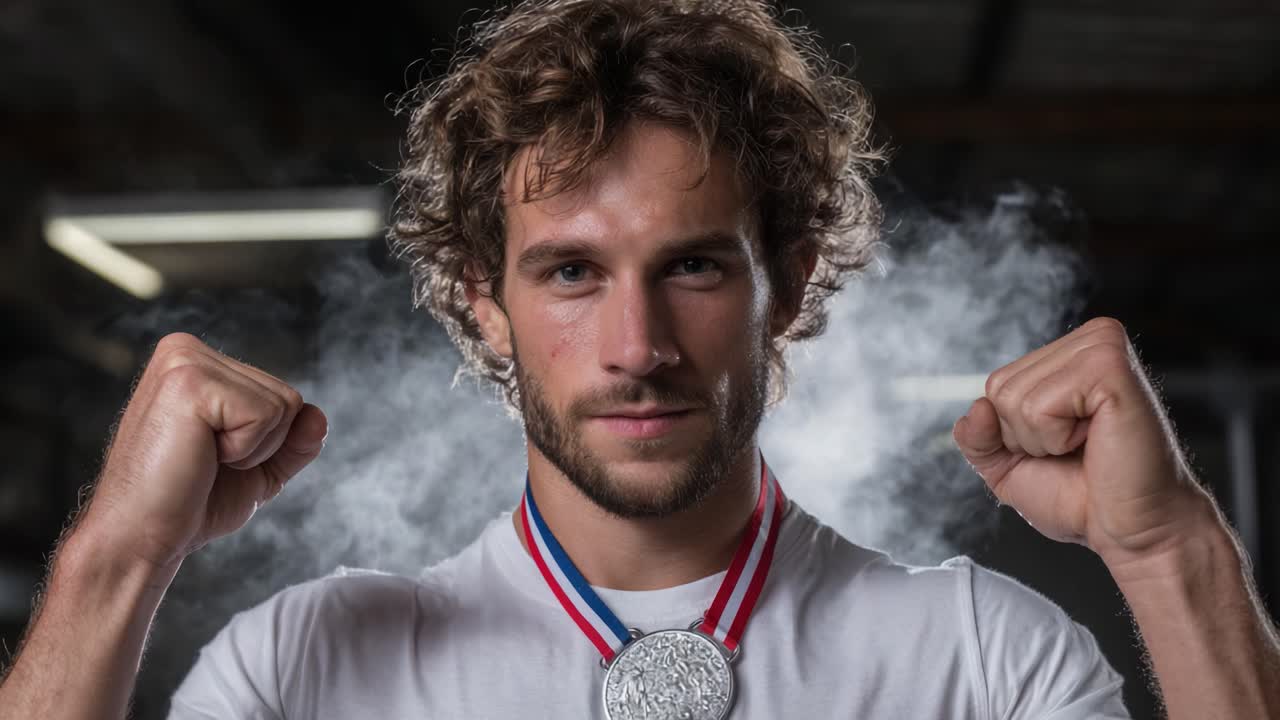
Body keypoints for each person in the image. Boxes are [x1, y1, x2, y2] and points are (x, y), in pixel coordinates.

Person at [2, 0, 1277, 718]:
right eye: (568, 271)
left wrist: (1173, 556)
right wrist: (117, 559)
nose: (638, 348)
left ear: (784, 286)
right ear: (478, 302)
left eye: (694, 265)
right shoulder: (301, 668)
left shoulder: (983, 659)